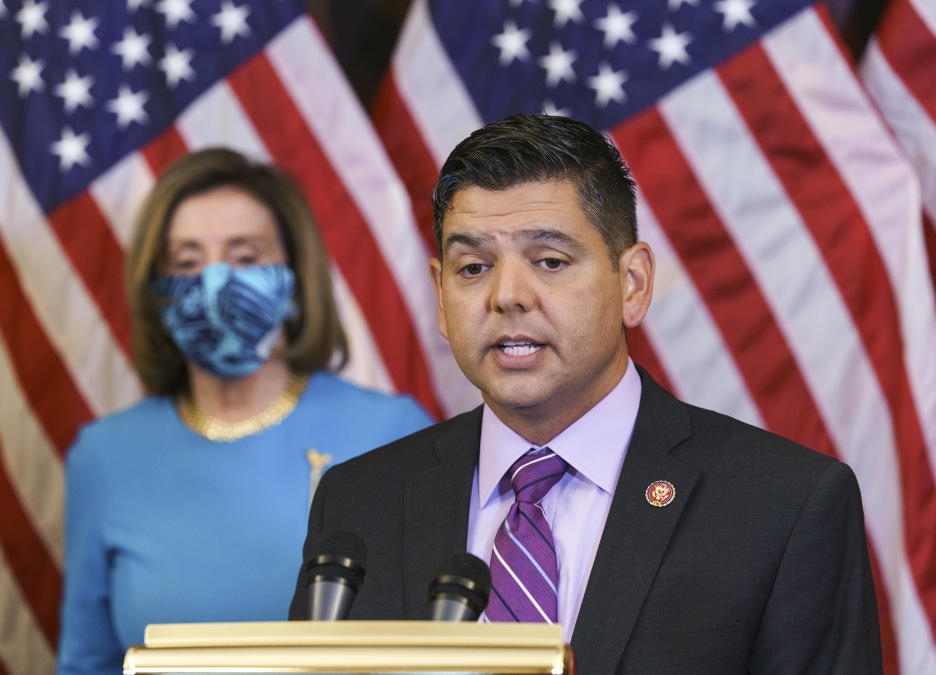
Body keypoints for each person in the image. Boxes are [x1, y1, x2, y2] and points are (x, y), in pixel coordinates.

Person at [289, 115, 883, 674]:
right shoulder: (358, 503)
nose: (507, 296)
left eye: (549, 261)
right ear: (440, 296)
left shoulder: (784, 506)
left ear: (632, 285)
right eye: (472, 268)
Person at [57, 148, 432, 675]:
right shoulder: (104, 456)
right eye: (187, 263)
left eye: (245, 257)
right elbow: (86, 663)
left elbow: (441, 654)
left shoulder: (392, 432)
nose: (216, 285)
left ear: (295, 281)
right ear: (157, 293)